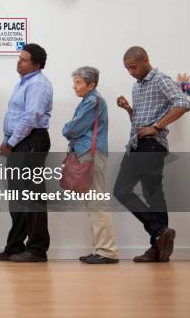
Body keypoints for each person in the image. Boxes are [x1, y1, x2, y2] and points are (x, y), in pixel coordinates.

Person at [114, 47, 189, 262]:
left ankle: (159, 232)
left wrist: (156, 126)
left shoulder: (160, 79)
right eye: (127, 69)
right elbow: (139, 121)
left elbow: (184, 103)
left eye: (133, 67)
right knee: (153, 195)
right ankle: (158, 247)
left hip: (151, 145)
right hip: (139, 144)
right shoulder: (137, 86)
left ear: (146, 60)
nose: (131, 72)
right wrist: (129, 109)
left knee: (121, 190)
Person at [0, 43, 53, 263]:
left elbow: (30, 118)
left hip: (32, 141)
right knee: (17, 198)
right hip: (20, 141)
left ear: (36, 64)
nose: (18, 62)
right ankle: (16, 245)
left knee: (32, 197)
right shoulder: (24, 83)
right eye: (19, 58)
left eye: (23, 59)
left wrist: (11, 142)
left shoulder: (38, 83)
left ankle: (37, 249)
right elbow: (15, 116)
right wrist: (6, 141)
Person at [62, 67, 119, 264]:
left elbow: (72, 128)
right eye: (75, 81)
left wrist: (67, 127)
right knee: (93, 203)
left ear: (91, 84)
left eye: (78, 82)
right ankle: (101, 249)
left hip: (90, 155)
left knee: (97, 203)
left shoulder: (93, 101)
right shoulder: (90, 100)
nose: (74, 86)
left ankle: (107, 251)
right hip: (87, 155)